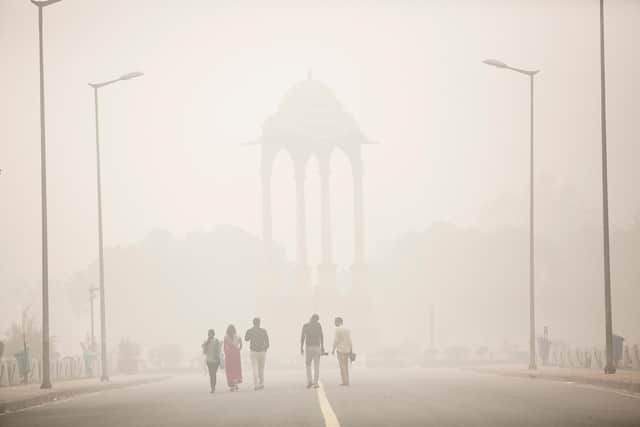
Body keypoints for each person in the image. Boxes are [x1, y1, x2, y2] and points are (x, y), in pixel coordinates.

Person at [244, 317, 269, 390]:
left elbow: (246, 339)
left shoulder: (250, 331)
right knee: (261, 369)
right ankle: (261, 383)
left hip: (253, 352)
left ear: (253, 323)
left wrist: (250, 334)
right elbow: (267, 342)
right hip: (262, 352)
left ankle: (256, 385)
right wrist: (265, 349)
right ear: (259, 323)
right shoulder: (263, 331)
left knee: (254, 368)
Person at [300, 314, 324, 389]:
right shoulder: (318, 325)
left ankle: (310, 381)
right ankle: (316, 383)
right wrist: (322, 347)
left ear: (311, 318)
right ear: (317, 320)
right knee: (316, 365)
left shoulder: (306, 326)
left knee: (308, 365)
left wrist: (301, 347)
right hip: (317, 346)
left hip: (309, 347)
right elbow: (321, 336)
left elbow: (302, 337)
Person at [331, 317, 353, 386]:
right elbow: (350, 341)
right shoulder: (347, 330)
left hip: (340, 350)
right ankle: (347, 381)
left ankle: (344, 381)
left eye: (335, 322)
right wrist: (351, 350)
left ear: (338, 322)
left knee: (342, 366)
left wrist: (333, 349)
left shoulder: (337, 330)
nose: (334, 323)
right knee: (346, 366)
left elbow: (336, 340)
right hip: (347, 350)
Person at [223, 324, 243, 392]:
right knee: (236, 370)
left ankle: (232, 386)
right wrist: (238, 349)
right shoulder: (238, 337)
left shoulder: (226, 337)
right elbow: (241, 346)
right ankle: (235, 385)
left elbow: (225, 348)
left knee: (230, 370)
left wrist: (226, 353)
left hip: (229, 355)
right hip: (236, 355)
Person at [202, 329, 221, 393]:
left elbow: (219, 351)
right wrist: (205, 345)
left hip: (215, 361)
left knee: (213, 374)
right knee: (211, 374)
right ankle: (213, 387)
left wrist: (219, 359)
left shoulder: (216, 341)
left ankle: (213, 387)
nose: (210, 335)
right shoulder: (206, 342)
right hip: (209, 361)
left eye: (211, 333)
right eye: (209, 334)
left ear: (213, 334)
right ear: (208, 334)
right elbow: (204, 352)